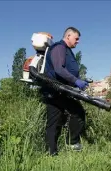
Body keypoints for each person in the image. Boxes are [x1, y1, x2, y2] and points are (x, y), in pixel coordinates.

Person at [40, 26, 89, 155]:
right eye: (76, 39)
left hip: (62, 91)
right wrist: (76, 81)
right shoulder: (59, 48)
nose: (77, 41)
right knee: (64, 118)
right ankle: (60, 148)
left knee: (69, 115)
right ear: (68, 36)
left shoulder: (66, 50)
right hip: (54, 91)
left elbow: (67, 70)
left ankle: (59, 148)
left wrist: (79, 80)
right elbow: (59, 69)